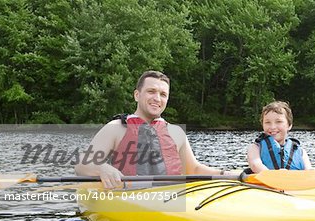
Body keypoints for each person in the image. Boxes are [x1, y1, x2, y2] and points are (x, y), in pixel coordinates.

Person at [75, 70, 228, 188]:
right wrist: (102, 169)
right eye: (151, 91)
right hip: (128, 200)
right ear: (137, 95)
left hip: (169, 199)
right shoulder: (115, 128)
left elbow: (194, 170)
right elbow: (82, 164)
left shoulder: (176, 133)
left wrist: (228, 174)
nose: (157, 98)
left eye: (163, 94)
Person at [247, 101, 312, 173]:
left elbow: (309, 172)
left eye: (279, 122)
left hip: (294, 182)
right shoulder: (255, 148)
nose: (273, 127)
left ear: (289, 125)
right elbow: (255, 165)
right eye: (267, 122)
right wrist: (276, 176)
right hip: (266, 182)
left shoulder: (300, 151)